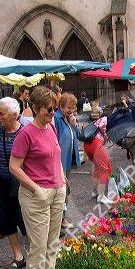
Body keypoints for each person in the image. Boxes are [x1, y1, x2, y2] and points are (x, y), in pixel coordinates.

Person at [10, 86, 66, 269]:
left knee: (52, 246)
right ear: (35, 108)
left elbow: (56, 154)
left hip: (56, 192)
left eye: (54, 109)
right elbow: (14, 166)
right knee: (38, 250)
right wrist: (36, 189)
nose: (53, 113)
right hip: (36, 196)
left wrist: (62, 179)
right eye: (48, 109)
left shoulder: (50, 127)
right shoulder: (26, 134)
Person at [0, 97, 26, 269]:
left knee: (25, 218)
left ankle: (38, 254)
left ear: (14, 114)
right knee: (6, 219)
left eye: (1, 114)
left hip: (21, 183)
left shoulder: (25, 133)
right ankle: (18, 256)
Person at [54, 93, 81, 230]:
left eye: (73, 107)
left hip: (68, 159)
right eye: (69, 107)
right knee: (63, 190)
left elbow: (77, 135)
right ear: (61, 106)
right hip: (60, 161)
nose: (71, 110)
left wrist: (74, 124)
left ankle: (62, 217)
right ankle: (61, 219)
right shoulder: (57, 118)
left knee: (66, 189)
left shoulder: (68, 118)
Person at [83, 116, 112, 205]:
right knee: (104, 169)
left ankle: (94, 191)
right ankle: (101, 196)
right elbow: (105, 131)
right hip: (96, 143)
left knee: (97, 167)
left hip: (87, 144)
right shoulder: (108, 119)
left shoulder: (97, 120)